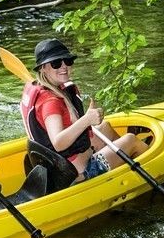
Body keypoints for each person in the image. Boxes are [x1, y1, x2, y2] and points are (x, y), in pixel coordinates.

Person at [20, 38, 148, 182]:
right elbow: (58, 142)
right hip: (79, 173)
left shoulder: (47, 88)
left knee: (105, 127)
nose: (63, 67)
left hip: (62, 164)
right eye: (56, 63)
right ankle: (147, 167)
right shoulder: (50, 102)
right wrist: (87, 119)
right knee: (131, 140)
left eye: (67, 61)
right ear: (42, 68)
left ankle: (125, 163)